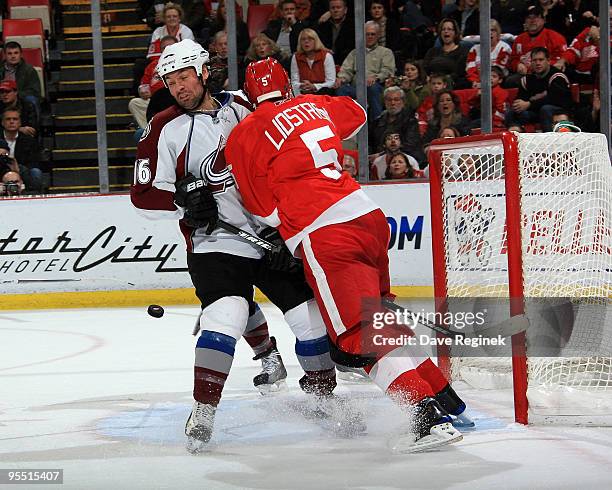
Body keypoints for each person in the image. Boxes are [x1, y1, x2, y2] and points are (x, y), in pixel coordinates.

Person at [225, 57, 472, 453]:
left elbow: (262, 209)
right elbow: (357, 113)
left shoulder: (245, 131)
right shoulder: (313, 104)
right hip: (367, 215)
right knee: (381, 317)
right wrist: (314, 100)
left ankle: (424, 419)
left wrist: (290, 228)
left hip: (325, 232)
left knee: (359, 333)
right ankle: (446, 399)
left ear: (249, 96)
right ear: (287, 87)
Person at [130, 40, 338, 453]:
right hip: (215, 242)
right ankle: (204, 410)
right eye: (170, 81)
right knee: (225, 316)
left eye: (185, 76)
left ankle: (323, 398)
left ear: (205, 72)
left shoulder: (246, 107)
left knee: (311, 322)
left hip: (271, 233)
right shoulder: (164, 128)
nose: (178, 87)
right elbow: (141, 193)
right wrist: (182, 197)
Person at [334, 21, 395, 120]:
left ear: (378, 35)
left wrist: (376, 77)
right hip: (356, 88)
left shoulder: (386, 52)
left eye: (373, 34)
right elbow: (346, 70)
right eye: (367, 34)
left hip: (376, 86)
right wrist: (341, 79)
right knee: (341, 89)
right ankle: (346, 121)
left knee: (372, 88)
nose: (370, 37)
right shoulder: (355, 53)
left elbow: (388, 70)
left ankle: (377, 121)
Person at [505, 47, 572, 132]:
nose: (537, 63)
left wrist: (529, 104)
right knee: (511, 112)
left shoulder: (557, 76)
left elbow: (556, 100)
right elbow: (521, 99)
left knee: (546, 109)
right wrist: (518, 105)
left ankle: (548, 139)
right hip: (536, 111)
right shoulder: (527, 79)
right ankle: (516, 136)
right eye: (534, 60)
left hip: (559, 110)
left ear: (548, 61)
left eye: (541, 60)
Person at [507, 5, 567, 86]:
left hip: (546, 75)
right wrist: (517, 65)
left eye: (536, 17)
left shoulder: (555, 37)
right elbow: (512, 59)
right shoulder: (519, 39)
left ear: (543, 20)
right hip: (525, 76)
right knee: (509, 81)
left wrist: (537, 67)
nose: (532, 21)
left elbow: (561, 60)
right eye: (529, 17)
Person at [130, 36, 178, 131]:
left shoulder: (184, 62)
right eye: (164, 47)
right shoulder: (153, 65)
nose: (168, 49)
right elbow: (144, 86)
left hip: (176, 100)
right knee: (134, 103)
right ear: (161, 50)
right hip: (154, 102)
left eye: (171, 46)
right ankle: (149, 131)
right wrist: (143, 91)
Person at [368, 86, 425, 164]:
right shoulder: (378, 121)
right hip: (380, 161)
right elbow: (370, 143)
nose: (392, 103)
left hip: (407, 160)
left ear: (403, 102)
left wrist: (382, 155)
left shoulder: (410, 121)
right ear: (384, 102)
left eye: (396, 99)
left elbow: (410, 146)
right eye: (389, 100)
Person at [423, 18, 470, 89]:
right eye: (443, 29)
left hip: (450, 85)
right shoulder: (432, 51)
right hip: (431, 84)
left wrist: (442, 81)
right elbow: (424, 68)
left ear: (455, 33)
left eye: (449, 29)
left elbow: (459, 73)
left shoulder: (462, 51)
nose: (446, 31)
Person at [2, 109, 41, 192]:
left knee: (35, 172)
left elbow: (32, 162)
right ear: (2, 122)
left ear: (20, 123)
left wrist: (17, 170)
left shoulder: (29, 141)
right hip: (1, 169)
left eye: (15, 119)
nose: (11, 122)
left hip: (21, 170)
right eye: (8, 119)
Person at [465, 19, 511, 88]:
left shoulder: (504, 48)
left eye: (493, 30)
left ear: (498, 33)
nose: (490, 33)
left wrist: (483, 83)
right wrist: (475, 81)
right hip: (477, 82)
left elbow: (500, 70)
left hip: (498, 82)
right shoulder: (474, 49)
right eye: (486, 30)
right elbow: (470, 69)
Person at [0, 41, 42, 116]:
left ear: (21, 54)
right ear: (5, 55)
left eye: (16, 53)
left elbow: (35, 91)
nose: (13, 56)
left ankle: (33, 127)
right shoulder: (0, 69)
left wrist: (15, 95)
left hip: (21, 98)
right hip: (2, 96)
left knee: (32, 100)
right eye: (9, 53)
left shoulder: (29, 70)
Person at [290, 28, 336, 95]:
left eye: (310, 39)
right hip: (303, 92)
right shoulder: (296, 57)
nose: (306, 41)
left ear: (316, 41)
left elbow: (331, 82)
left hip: (323, 92)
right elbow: (294, 82)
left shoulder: (326, 56)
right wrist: (302, 85)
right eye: (303, 39)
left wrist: (314, 86)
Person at [315, 0, 355, 65]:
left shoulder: (353, 26)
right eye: (333, 8)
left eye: (338, 7)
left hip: (347, 63)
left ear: (345, 10)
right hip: (325, 62)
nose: (335, 10)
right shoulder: (323, 26)